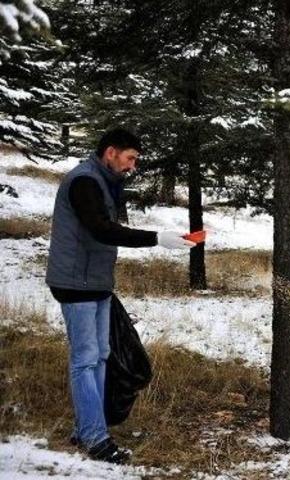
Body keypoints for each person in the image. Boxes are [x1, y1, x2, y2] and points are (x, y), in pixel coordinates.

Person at [45, 128, 195, 464]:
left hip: (95, 283)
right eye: (130, 158)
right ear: (111, 152)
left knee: (100, 355)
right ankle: (96, 438)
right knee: (85, 359)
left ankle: (87, 428)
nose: (133, 166)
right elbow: (101, 229)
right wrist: (157, 238)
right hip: (75, 283)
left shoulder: (103, 181)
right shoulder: (84, 181)